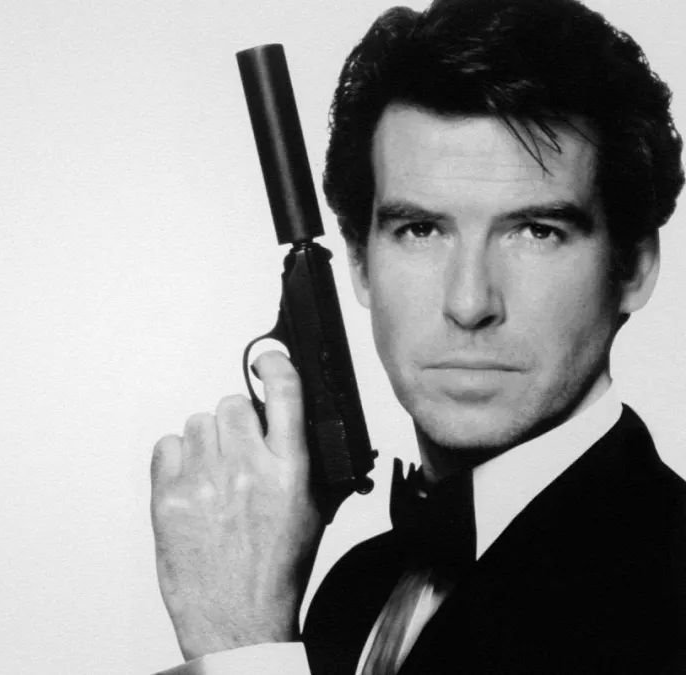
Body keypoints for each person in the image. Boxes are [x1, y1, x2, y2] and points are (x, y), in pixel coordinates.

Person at [149, 0, 686, 672]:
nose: (469, 303)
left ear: (634, 269)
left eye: (536, 231)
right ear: (360, 264)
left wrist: (239, 644)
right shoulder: (357, 589)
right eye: (421, 230)